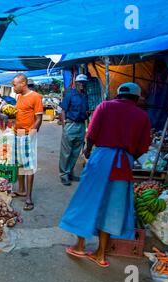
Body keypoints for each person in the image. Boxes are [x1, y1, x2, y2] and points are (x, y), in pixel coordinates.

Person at [59, 82, 151, 268]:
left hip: (101, 159)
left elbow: (91, 134)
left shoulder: (105, 106)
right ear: (136, 98)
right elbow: (143, 147)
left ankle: (80, 246)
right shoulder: (143, 116)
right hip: (123, 164)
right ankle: (100, 255)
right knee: (112, 209)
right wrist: (129, 156)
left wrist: (88, 150)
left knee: (87, 201)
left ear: (118, 94)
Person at [11, 74, 43, 211]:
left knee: (29, 165)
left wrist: (31, 134)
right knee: (19, 163)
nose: (13, 87)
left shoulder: (35, 96)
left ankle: (28, 197)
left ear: (23, 83)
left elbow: (39, 118)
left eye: (14, 84)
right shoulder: (19, 97)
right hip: (17, 134)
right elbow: (19, 114)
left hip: (27, 135)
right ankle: (22, 190)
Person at [59, 74, 89, 186]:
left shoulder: (85, 96)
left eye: (84, 82)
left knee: (75, 152)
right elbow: (62, 111)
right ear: (76, 83)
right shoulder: (70, 94)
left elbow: (86, 111)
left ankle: (70, 173)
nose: (82, 84)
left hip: (81, 125)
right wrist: (64, 126)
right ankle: (63, 175)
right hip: (70, 125)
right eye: (80, 82)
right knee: (66, 152)